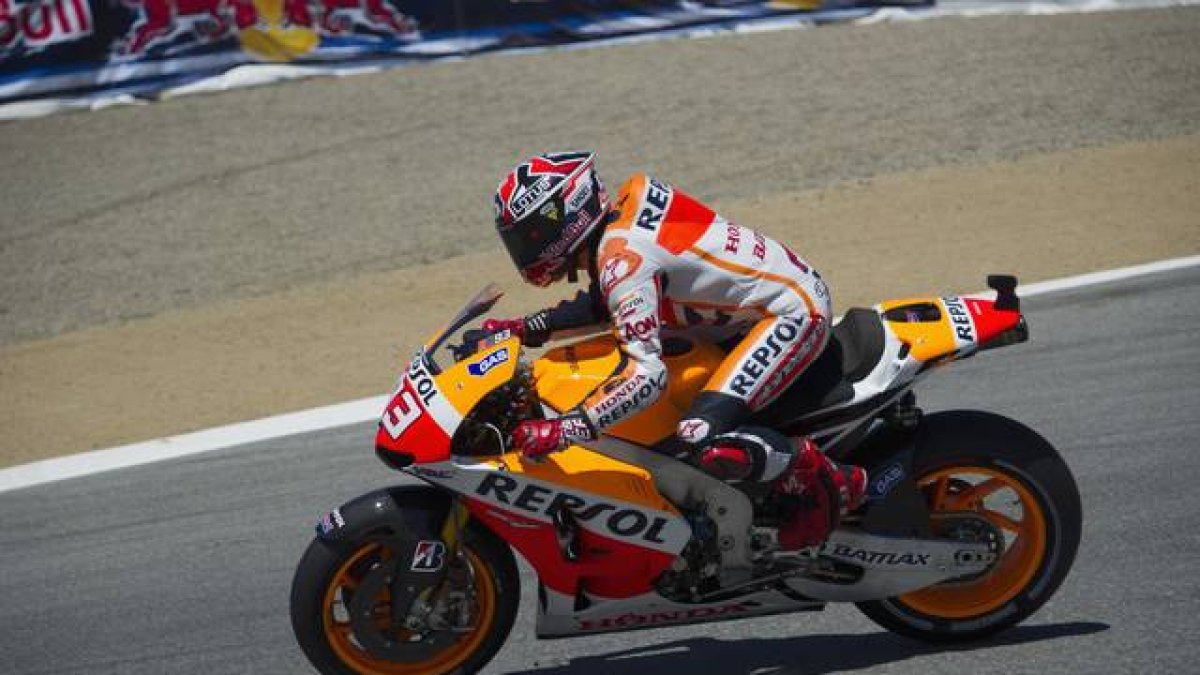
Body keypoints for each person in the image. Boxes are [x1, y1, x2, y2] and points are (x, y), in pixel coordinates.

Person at [486, 151, 866, 550]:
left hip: (791, 314)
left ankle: (825, 480)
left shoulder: (624, 259)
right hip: (750, 310)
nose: (526, 250)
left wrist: (567, 428)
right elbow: (608, 300)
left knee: (698, 434)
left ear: (567, 213)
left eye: (530, 236)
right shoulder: (625, 214)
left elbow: (646, 378)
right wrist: (528, 327)